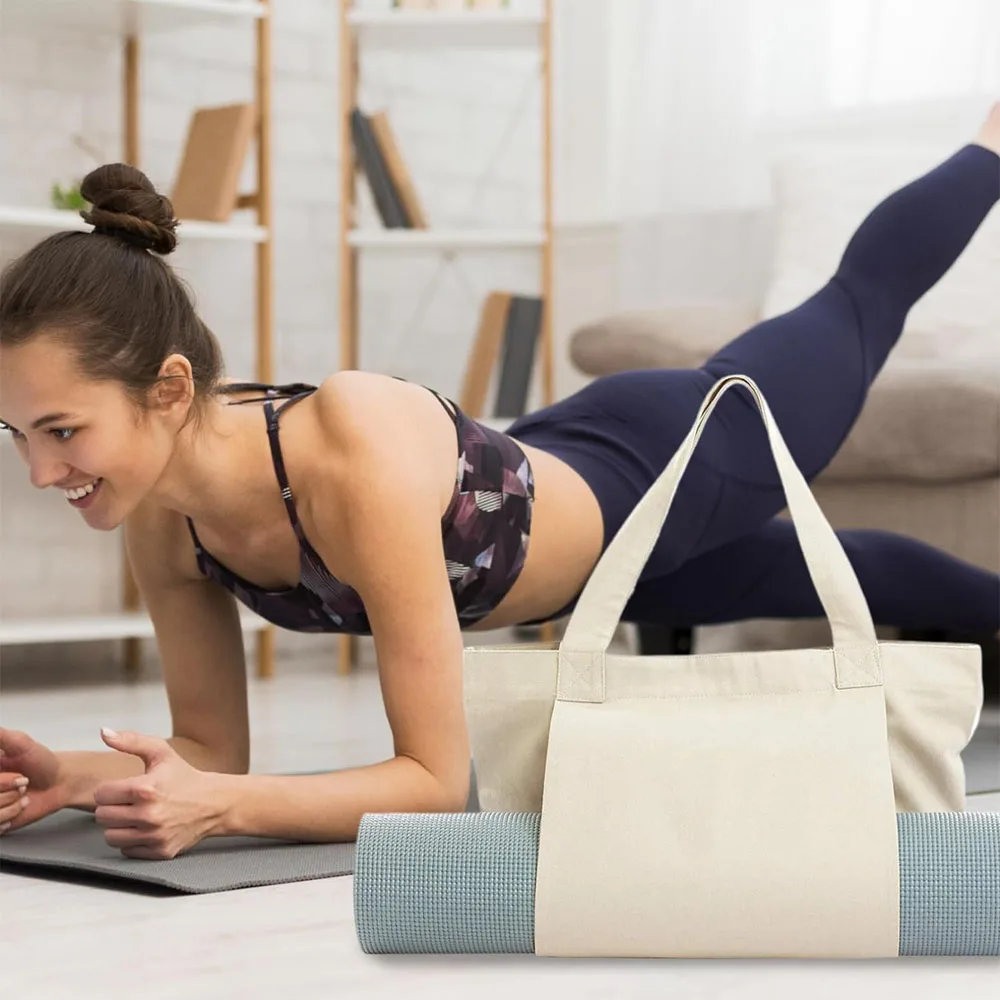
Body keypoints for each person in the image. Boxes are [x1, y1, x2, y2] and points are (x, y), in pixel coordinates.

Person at [2, 107, 999, 860]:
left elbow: (435, 782)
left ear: (169, 390)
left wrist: (222, 807)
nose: (40, 470)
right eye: (15, 434)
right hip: (586, 547)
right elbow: (208, 745)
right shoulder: (164, 524)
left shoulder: (345, 447)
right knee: (850, 575)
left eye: (63, 430)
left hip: (666, 460)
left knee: (858, 303)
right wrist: (72, 776)